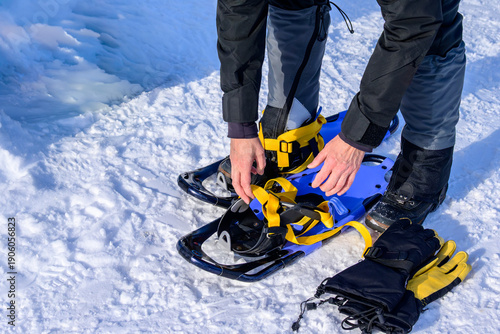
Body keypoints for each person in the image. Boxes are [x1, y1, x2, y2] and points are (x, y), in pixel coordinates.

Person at [216, 0, 465, 231]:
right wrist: (241, 126)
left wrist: (357, 136)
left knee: (434, 31)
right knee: (291, 1)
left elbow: (413, 25)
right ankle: (290, 123)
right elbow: (238, 13)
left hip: (416, 13)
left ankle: (426, 164)